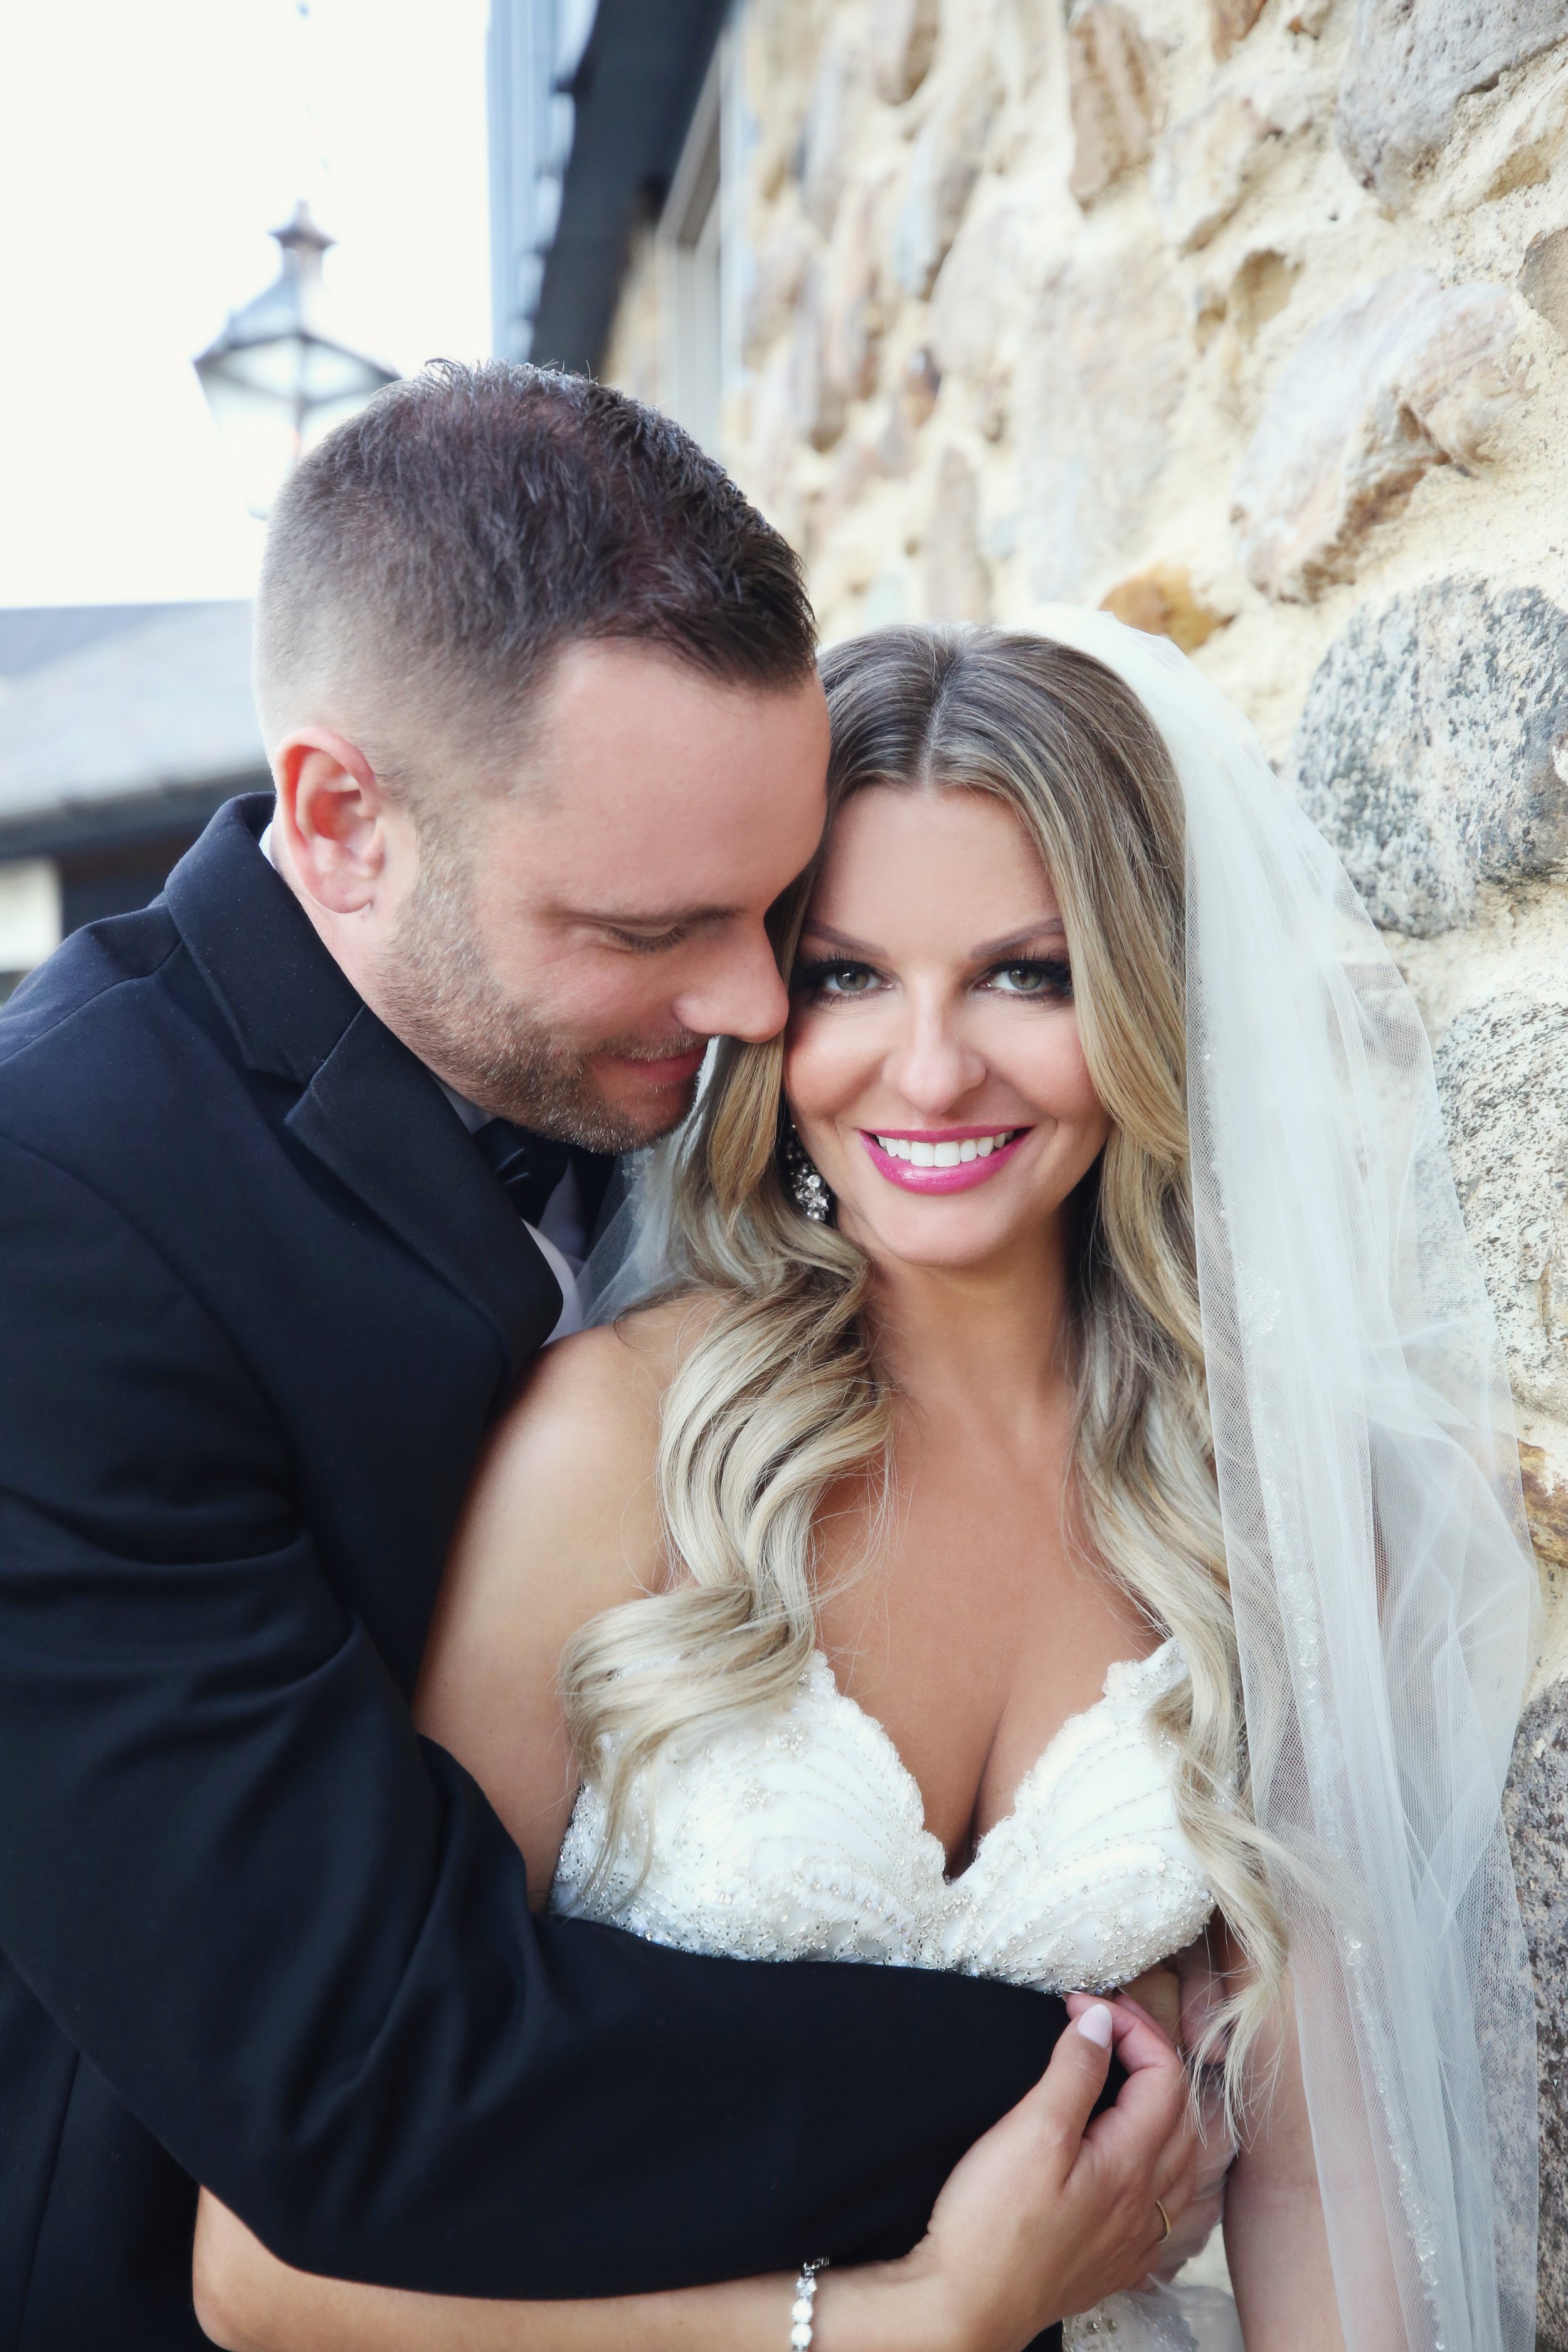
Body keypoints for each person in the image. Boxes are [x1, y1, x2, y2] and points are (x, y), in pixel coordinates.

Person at [0, 372, 1200, 2352]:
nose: (749, 1007)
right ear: (343, 821)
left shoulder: (647, 1080)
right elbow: (369, 2072)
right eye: (656, 928)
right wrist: (1085, 2079)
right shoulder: (54, 1224)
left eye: (777, 917)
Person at [189, 618, 1540, 2351]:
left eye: (1024, 975)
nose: (931, 1068)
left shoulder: (1261, 1504)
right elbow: (269, 2267)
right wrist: (897, 2323)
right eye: (846, 978)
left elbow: (1320, 2193)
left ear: (1142, 996)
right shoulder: (610, 1449)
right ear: (764, 1008)